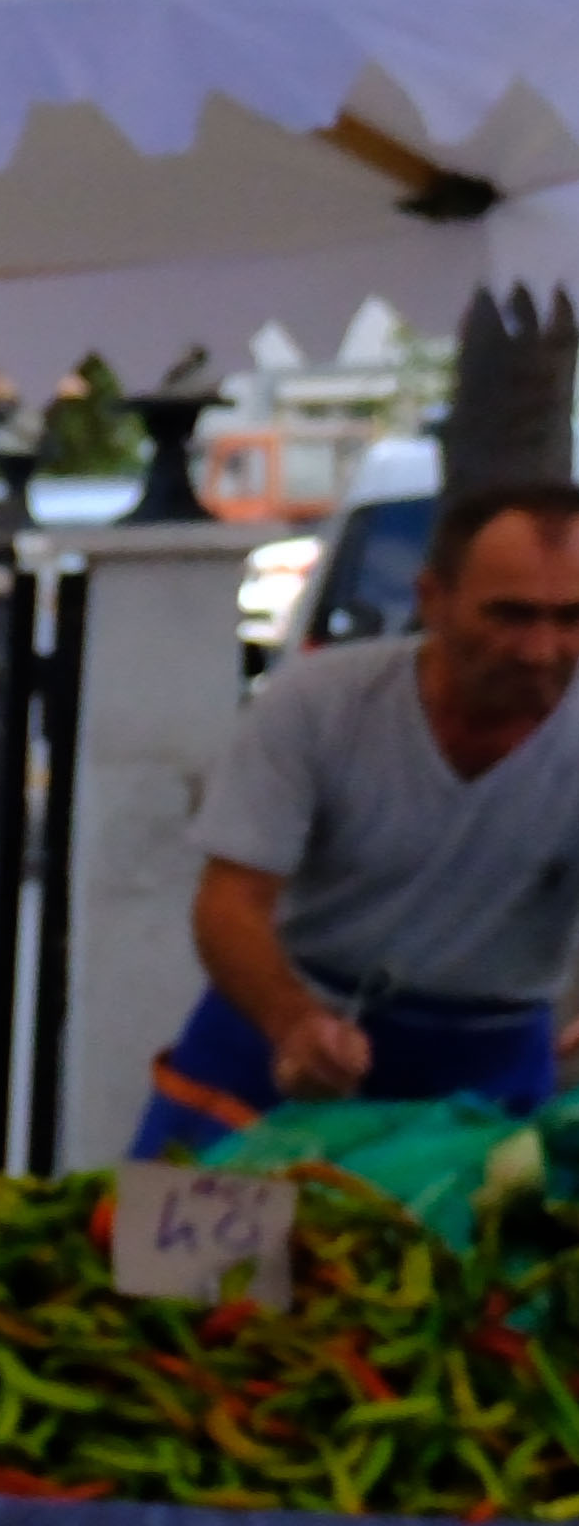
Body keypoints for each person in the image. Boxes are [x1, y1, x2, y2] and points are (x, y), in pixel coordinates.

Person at [145, 461, 579, 1139]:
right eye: (511, 615)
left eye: (571, 618)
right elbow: (230, 902)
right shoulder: (320, 703)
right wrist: (293, 1021)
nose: (541, 650)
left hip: (487, 1066)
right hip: (283, 1027)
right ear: (433, 599)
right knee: (168, 1244)